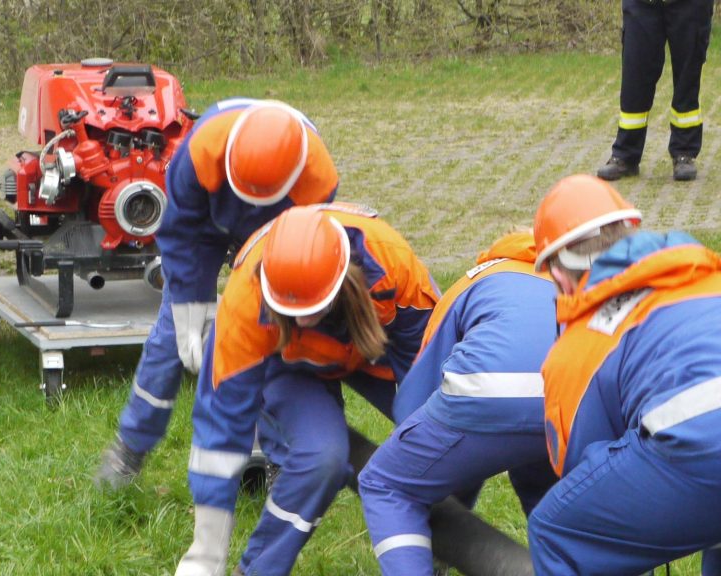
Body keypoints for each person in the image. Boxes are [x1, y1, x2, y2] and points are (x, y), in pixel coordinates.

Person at [173, 204, 439, 576]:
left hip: (373, 347)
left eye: (312, 309)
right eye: (290, 309)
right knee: (322, 459)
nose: (301, 318)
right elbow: (220, 428)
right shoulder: (245, 301)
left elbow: (426, 370)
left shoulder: (391, 265)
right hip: (290, 363)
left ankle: (433, 550)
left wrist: (421, 454)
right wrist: (205, 555)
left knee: (443, 437)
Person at [95, 98, 339, 488]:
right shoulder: (198, 153)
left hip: (280, 231)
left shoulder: (317, 178)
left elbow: (306, 248)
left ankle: (281, 462)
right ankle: (130, 448)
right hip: (206, 222)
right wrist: (188, 311)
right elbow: (179, 235)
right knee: (169, 339)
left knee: (282, 337)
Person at [527, 174, 721, 575]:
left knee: (556, 533)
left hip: (703, 445)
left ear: (559, 277)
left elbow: (585, 478)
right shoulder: (706, 276)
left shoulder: (580, 346)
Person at [358, 229, 558, 576]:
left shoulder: (472, 282)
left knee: (386, 483)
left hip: (487, 391)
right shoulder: (570, 281)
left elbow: (419, 402)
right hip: (566, 398)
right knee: (545, 491)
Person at [596, 0, 714, 182]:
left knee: (687, 79)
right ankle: (626, 155)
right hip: (641, 5)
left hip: (690, 5)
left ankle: (684, 153)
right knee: (635, 76)